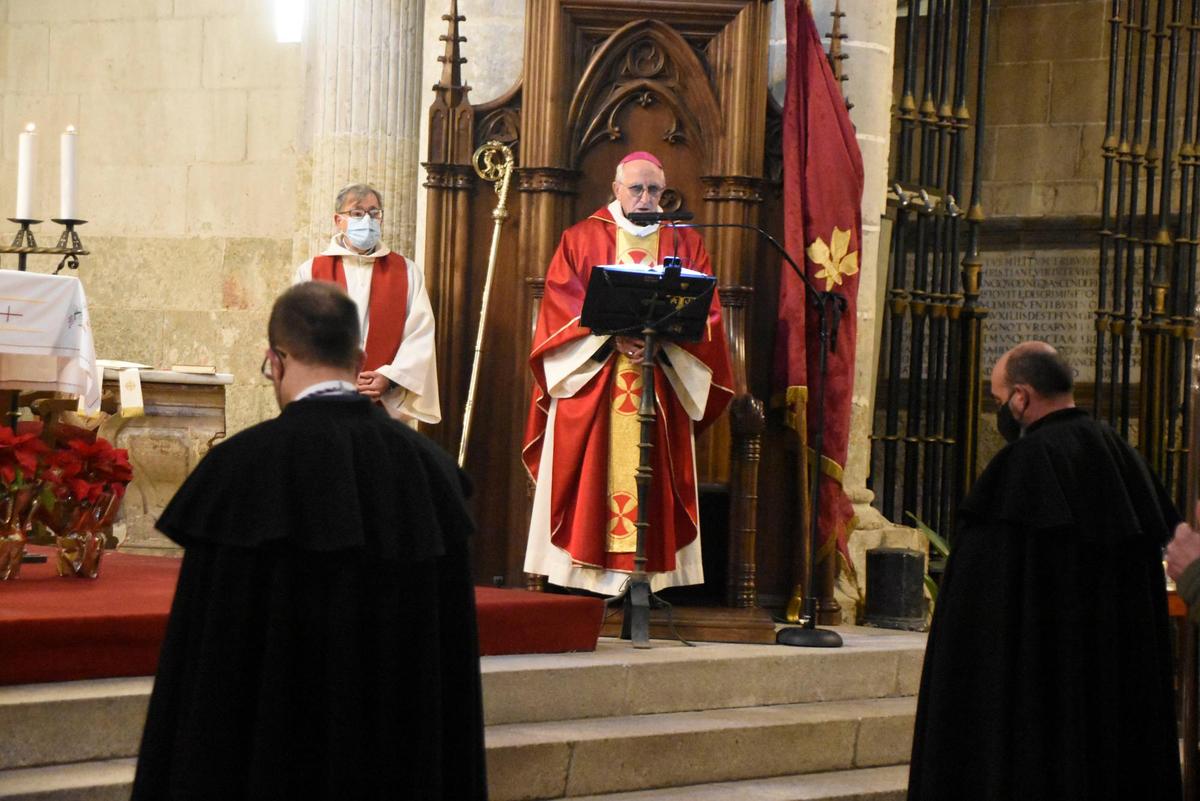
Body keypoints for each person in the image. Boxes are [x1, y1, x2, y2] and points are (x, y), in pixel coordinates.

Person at [131, 282, 486, 801]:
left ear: (274, 361)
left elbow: (207, 668)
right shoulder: (429, 472)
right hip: (394, 763)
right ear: (359, 355)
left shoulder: (242, 470)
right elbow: (447, 673)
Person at [907, 341, 1181, 801]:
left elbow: (980, 611)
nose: (1001, 410)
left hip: (1039, 695)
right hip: (1111, 697)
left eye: (997, 400)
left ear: (1021, 397)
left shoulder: (1022, 466)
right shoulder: (1122, 457)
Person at [522, 151, 734, 595]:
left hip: (659, 380)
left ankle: (647, 583)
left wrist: (664, 345)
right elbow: (561, 307)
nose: (645, 198)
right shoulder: (581, 238)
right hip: (594, 384)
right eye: (635, 188)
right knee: (590, 472)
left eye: (654, 190)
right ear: (616, 189)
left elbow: (707, 314)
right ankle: (582, 582)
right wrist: (610, 339)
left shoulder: (685, 242)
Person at [294, 182, 440, 424]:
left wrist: (389, 377)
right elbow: (298, 334)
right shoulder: (311, 271)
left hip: (382, 402)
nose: (368, 220)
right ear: (338, 220)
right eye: (357, 213)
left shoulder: (406, 271)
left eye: (374, 213)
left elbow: (420, 332)